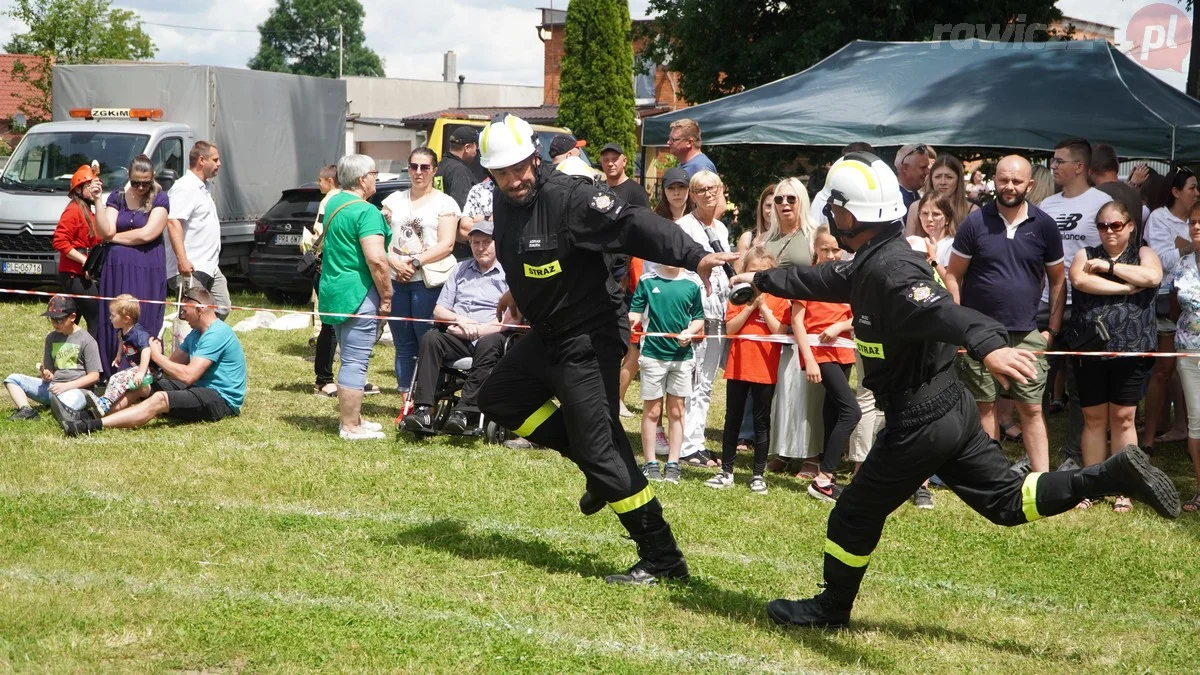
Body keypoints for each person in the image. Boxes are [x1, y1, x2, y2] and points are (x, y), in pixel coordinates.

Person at [729, 151, 1180, 630]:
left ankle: (831, 608)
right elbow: (821, 277)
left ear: (849, 213)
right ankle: (1112, 475)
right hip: (951, 409)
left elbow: (946, 313)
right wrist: (758, 279)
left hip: (918, 422)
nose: (830, 216)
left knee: (851, 516)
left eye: (834, 208)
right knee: (1010, 503)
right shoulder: (877, 261)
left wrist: (989, 347)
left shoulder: (890, 273)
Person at [474, 113, 736, 585]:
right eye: (501, 172)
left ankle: (662, 557)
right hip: (549, 332)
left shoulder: (571, 196)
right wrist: (519, 292)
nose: (513, 180)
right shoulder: (503, 195)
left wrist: (694, 257)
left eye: (519, 168)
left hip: (590, 337)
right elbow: (524, 252)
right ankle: (595, 467)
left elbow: (636, 225)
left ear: (534, 157)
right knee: (500, 399)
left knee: (604, 451)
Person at [948, 155, 1065, 474]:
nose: (1009, 186)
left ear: (1029, 184)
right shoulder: (974, 223)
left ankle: (1042, 478)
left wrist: (1050, 332)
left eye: (1016, 181)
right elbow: (952, 275)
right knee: (983, 405)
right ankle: (991, 477)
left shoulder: (1044, 225)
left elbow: (1058, 280)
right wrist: (960, 324)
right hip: (979, 333)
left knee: (1031, 407)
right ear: (994, 181)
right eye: (1003, 179)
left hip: (1027, 333)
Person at [1067, 201, 1160, 512]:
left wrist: (1108, 267)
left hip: (1132, 349)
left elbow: (1152, 278)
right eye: (1103, 226)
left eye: (1115, 225)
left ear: (1130, 225)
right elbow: (1080, 280)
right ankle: (1093, 484)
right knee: (1093, 419)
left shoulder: (1144, 253)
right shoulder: (1085, 254)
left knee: (1124, 419)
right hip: (1091, 348)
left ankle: (1124, 486)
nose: (1108, 231)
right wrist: (1124, 289)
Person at [60, 287, 246, 436]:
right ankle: (87, 415)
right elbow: (170, 366)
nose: (182, 316)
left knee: (159, 399)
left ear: (200, 310)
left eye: (185, 311)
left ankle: (91, 425)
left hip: (221, 399)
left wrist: (156, 356)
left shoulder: (217, 334)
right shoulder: (196, 333)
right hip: (198, 387)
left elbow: (188, 376)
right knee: (138, 386)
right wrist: (151, 354)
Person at [1038, 139, 1113, 470]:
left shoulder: (1103, 203)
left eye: (1059, 161)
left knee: (1081, 389)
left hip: (1086, 307)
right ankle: (1032, 451)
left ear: (1079, 167)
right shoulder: (1046, 205)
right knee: (1035, 382)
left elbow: (1113, 255)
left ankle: (1072, 455)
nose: (1053, 166)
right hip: (1044, 304)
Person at [401, 220, 510, 435]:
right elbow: (439, 310)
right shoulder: (460, 269)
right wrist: (460, 321)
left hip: (491, 334)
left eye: (486, 242)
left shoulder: (508, 273)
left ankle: (463, 411)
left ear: (497, 244)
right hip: (459, 334)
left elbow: (509, 320)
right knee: (431, 339)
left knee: (490, 344)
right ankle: (423, 408)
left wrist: (477, 330)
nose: (480, 248)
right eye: (475, 242)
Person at [318, 154, 394, 441]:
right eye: (374, 173)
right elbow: (377, 260)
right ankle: (350, 426)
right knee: (355, 361)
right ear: (362, 179)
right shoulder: (367, 212)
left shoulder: (335, 202)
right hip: (357, 293)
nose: (377, 178)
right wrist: (387, 296)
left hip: (334, 290)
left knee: (349, 356)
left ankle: (355, 418)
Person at [382, 147, 461, 415]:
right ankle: (406, 402)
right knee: (403, 343)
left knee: (426, 341)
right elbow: (380, 240)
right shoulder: (393, 200)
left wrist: (415, 262)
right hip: (397, 281)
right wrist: (394, 262)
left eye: (424, 167)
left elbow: (447, 244)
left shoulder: (445, 203)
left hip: (429, 283)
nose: (418, 172)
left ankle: (428, 400)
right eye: (413, 166)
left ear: (434, 170)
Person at [706, 246, 789, 493]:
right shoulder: (737, 296)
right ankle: (727, 471)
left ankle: (758, 474)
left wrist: (763, 307)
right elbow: (730, 329)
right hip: (739, 366)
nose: (756, 278)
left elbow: (779, 331)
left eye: (762, 274)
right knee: (732, 419)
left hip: (765, 369)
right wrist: (751, 307)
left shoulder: (780, 298)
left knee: (762, 422)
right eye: (752, 272)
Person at [762, 177, 822, 478]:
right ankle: (783, 451)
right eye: (779, 200)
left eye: (791, 199)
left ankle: (811, 456)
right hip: (771, 323)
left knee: (808, 391)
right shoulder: (766, 239)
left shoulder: (813, 236)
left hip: (805, 321)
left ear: (802, 201)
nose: (784, 204)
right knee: (781, 391)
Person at [794, 228, 860, 502]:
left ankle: (825, 471)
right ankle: (825, 478)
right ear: (816, 250)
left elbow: (860, 315)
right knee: (851, 411)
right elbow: (797, 321)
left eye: (835, 250)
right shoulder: (807, 278)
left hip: (843, 352)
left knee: (833, 410)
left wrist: (841, 325)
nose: (831, 255)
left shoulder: (849, 277)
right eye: (825, 250)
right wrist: (808, 358)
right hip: (820, 354)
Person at [674, 170, 732, 469]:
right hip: (694, 314)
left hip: (719, 314)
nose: (708, 194)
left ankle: (695, 442)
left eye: (713, 188)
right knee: (690, 379)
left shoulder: (721, 229)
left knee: (706, 383)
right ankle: (684, 445)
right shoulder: (684, 227)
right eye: (701, 190)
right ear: (692, 196)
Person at [92, 153, 169, 379]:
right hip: (116, 269)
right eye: (136, 182)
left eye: (146, 182)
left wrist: (114, 238)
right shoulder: (116, 196)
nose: (141, 187)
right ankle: (110, 370)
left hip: (147, 268)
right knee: (115, 315)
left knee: (144, 316)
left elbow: (148, 234)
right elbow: (105, 230)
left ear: (153, 177)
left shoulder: (160, 198)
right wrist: (98, 200)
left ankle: (145, 370)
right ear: (128, 176)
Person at [628, 262, 705, 484]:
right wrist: (632, 319)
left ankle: (673, 464)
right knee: (652, 411)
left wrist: (689, 332)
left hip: (682, 358)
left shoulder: (692, 283)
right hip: (653, 355)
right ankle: (650, 462)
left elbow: (698, 317)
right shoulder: (647, 281)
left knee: (677, 411)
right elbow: (635, 310)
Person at [1142, 166, 1198, 450]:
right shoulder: (1159, 217)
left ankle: (1180, 427)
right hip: (1166, 299)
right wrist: (1190, 247)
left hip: (1192, 306)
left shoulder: (1193, 220)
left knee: (1183, 368)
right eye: (1191, 187)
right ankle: (1149, 436)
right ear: (1175, 192)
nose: (1197, 193)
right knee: (1164, 368)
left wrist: (1184, 245)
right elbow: (1162, 261)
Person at [4, 294, 100, 420]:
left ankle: (63, 407)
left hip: (78, 390)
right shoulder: (51, 338)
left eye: (59, 319)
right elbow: (51, 372)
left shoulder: (87, 340)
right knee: (12, 379)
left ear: (72, 317)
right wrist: (46, 375)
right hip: (54, 387)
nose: (55, 323)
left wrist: (66, 386)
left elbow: (94, 376)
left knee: (65, 404)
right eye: (52, 319)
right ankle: (26, 409)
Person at [165, 140, 231, 320]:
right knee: (193, 316)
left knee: (222, 307)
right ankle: (190, 347)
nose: (219, 164)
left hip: (209, 265)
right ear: (202, 160)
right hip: (190, 267)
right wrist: (182, 260)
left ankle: (205, 344)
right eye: (215, 159)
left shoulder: (205, 187)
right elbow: (173, 223)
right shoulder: (185, 187)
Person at [1166, 201, 1200, 513]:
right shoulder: (1183, 264)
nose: (1196, 227)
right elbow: (1177, 308)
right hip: (1189, 352)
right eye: (1192, 222)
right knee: (1196, 423)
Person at [52, 164, 103, 339]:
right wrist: (84, 262)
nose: (93, 188)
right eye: (89, 185)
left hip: (84, 273)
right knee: (96, 317)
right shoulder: (74, 210)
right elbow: (60, 240)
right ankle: (95, 364)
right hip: (74, 274)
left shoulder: (89, 210)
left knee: (71, 323)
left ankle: (72, 362)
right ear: (79, 189)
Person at [84, 294, 154, 416]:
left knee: (116, 378)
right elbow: (121, 342)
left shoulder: (138, 334)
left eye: (113, 315)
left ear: (126, 319)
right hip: (135, 369)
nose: (110, 318)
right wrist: (118, 356)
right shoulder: (122, 331)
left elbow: (146, 351)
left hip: (145, 370)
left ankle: (105, 403)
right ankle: (106, 400)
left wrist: (141, 372)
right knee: (117, 379)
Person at [905, 154, 977, 235]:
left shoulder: (972, 211)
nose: (943, 182)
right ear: (931, 179)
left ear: (958, 180)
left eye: (949, 177)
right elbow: (906, 245)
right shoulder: (916, 208)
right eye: (937, 177)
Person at [436, 126, 480, 210]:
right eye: (476, 148)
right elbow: (461, 208)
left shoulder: (439, 166)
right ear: (467, 147)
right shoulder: (459, 171)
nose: (476, 152)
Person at [598, 143, 650, 208]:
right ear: (601, 163)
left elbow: (644, 217)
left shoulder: (637, 192)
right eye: (606, 160)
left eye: (614, 159)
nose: (610, 164)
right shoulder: (597, 189)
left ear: (624, 161)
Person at [736, 184, 776, 265]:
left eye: (776, 207)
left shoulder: (789, 238)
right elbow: (738, 273)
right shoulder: (747, 239)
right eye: (769, 206)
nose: (772, 211)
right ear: (761, 207)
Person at [894, 143, 932, 210]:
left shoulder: (913, 193)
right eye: (923, 168)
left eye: (927, 167)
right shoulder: (895, 200)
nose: (927, 172)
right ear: (905, 168)